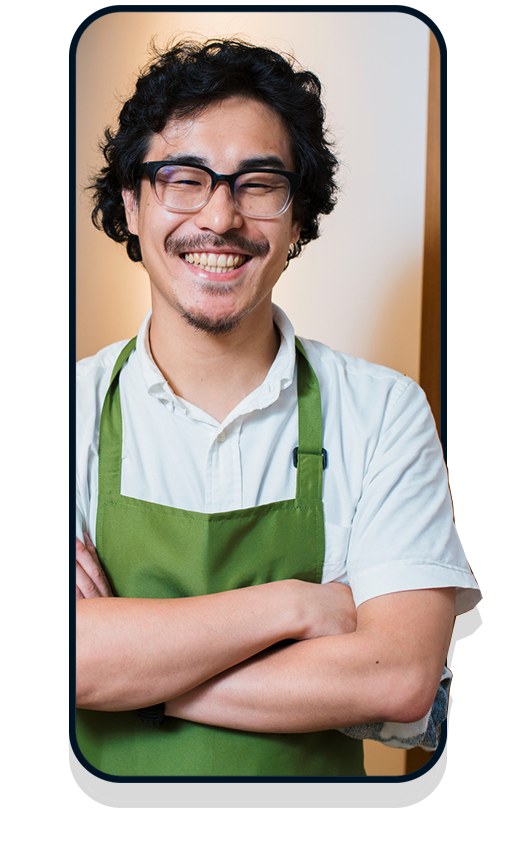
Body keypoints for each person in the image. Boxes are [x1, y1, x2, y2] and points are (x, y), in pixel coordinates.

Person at [75, 37, 481, 777]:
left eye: (258, 184)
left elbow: (395, 680)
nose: (221, 218)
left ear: (298, 219)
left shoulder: (383, 412)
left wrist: (125, 672)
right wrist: (297, 607)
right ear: (131, 205)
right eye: (183, 179)